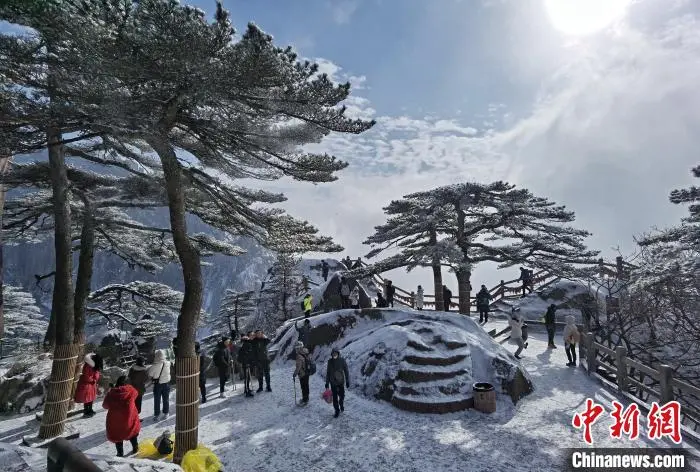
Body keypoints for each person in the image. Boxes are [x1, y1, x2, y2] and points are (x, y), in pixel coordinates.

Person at [103, 376, 140, 457]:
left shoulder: (111, 394)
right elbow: (136, 393)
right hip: (130, 417)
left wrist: (111, 391)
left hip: (115, 420)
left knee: (117, 436)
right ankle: (135, 448)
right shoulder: (131, 390)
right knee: (132, 433)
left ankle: (120, 454)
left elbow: (105, 405)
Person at [75, 353, 103, 418]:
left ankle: (90, 410)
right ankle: (86, 411)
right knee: (87, 398)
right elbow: (86, 377)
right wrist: (93, 380)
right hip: (87, 384)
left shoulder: (93, 366)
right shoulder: (88, 366)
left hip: (91, 384)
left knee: (91, 398)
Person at [325, 348, 350, 418]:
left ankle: (341, 403)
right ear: (331, 354)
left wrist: (347, 381)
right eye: (333, 353)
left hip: (340, 382)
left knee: (342, 396)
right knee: (335, 398)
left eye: (335, 353)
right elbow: (328, 373)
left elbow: (346, 371)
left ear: (338, 353)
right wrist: (327, 383)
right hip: (333, 383)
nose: (334, 355)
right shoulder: (330, 362)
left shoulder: (342, 360)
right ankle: (337, 410)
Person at [147, 349, 171, 420]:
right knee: (166, 399)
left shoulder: (154, 366)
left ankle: (157, 415)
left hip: (158, 385)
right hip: (166, 384)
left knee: (157, 400)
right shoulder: (168, 363)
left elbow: (150, 375)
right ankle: (166, 413)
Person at [237, 332, 256, 398]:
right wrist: (247, 362)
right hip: (247, 364)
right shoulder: (246, 345)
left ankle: (246, 389)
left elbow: (241, 357)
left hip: (247, 363)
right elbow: (243, 356)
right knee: (247, 377)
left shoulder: (244, 344)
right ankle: (247, 391)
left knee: (247, 377)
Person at [293, 341, 311, 405]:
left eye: (297, 348)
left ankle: (304, 400)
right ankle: (307, 398)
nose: (296, 349)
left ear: (299, 348)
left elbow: (298, 367)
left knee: (303, 387)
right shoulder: (306, 352)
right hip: (307, 372)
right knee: (306, 386)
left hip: (302, 374)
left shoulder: (299, 356)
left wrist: (294, 374)